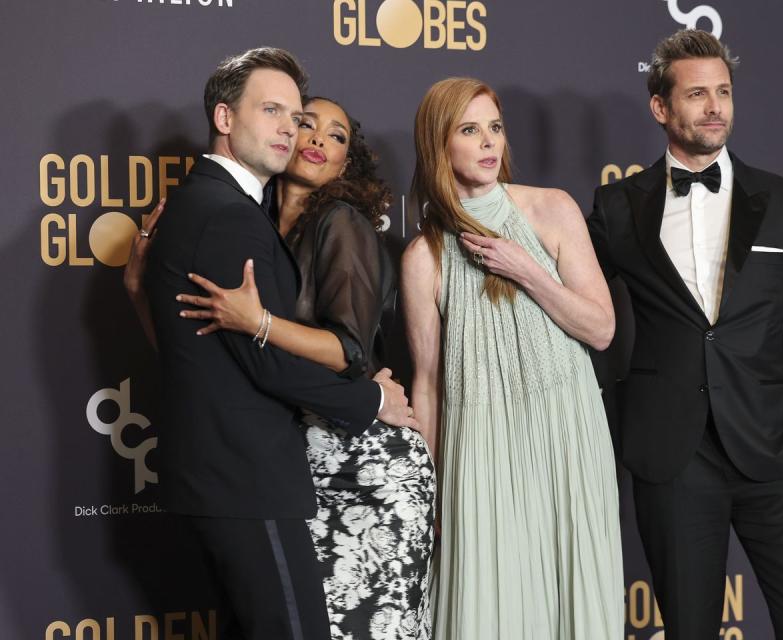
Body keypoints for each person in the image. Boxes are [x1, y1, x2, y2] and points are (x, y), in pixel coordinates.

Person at [129, 97, 434, 639]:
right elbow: (203, 357)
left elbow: (350, 351)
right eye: (303, 124)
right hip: (290, 462)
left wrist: (259, 321)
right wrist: (139, 292)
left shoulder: (342, 224)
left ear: (348, 163)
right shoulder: (247, 221)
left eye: (336, 136)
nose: (316, 138)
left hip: (360, 460)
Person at [588, 30, 783, 639]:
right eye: (696, 93)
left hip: (776, 452)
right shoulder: (618, 206)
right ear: (661, 108)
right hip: (674, 457)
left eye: (722, 92)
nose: (714, 107)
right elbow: (579, 311)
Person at [401, 77, 623, 640]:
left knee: (572, 597)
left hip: (565, 434)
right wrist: (432, 492)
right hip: (479, 449)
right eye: (469, 130)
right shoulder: (423, 256)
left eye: (494, 128)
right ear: (438, 144)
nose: (487, 142)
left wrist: (525, 268)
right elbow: (426, 385)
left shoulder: (552, 209)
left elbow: (601, 329)